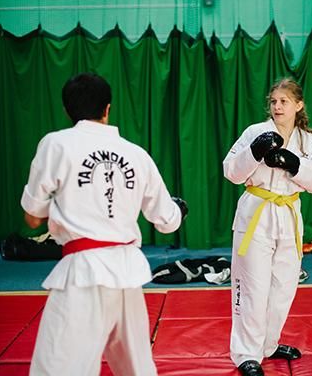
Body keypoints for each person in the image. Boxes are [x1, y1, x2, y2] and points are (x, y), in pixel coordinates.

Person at [21, 73, 188, 376]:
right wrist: (179, 209)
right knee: (136, 368)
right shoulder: (137, 154)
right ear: (107, 108)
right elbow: (167, 222)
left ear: (68, 110)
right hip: (127, 273)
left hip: (84, 273)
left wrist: (65, 200)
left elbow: (33, 217)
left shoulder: (56, 144)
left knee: (58, 367)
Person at [223, 78, 312, 376]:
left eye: (284, 101)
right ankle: (247, 353)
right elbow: (230, 171)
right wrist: (254, 152)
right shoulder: (255, 133)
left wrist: (294, 164)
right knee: (253, 286)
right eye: (273, 101)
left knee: (283, 286)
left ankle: (269, 345)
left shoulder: (308, 142)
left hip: (288, 216)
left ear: (298, 105)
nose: (277, 106)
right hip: (256, 213)